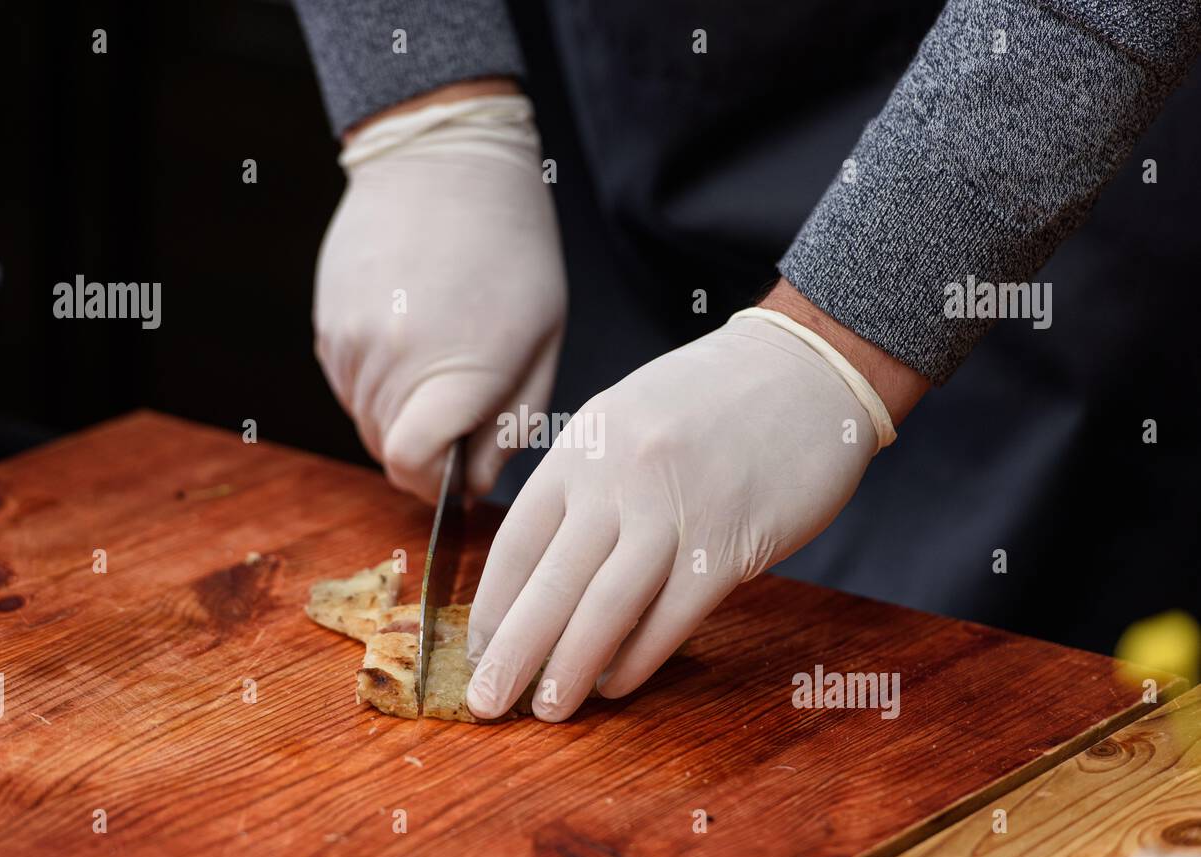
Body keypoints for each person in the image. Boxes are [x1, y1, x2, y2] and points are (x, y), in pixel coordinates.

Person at [293, 0, 1201, 721]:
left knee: (954, 708)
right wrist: (423, 108)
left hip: (1035, 185)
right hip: (613, 117)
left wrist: (836, 345)